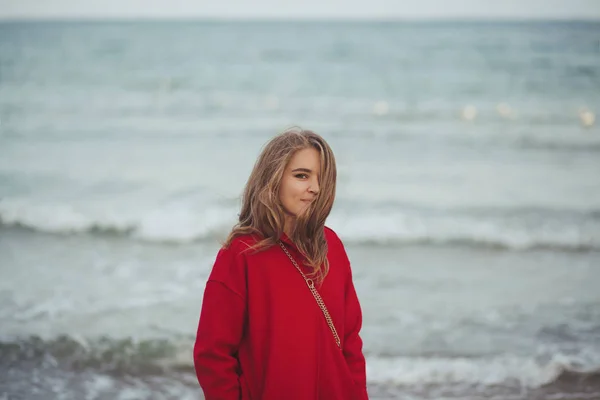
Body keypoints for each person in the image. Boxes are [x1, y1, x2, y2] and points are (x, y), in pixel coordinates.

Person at [193, 128, 368, 400]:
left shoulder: (332, 246)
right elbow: (213, 356)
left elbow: (350, 345)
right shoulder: (241, 253)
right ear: (273, 178)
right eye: (301, 176)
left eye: (321, 179)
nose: (315, 188)